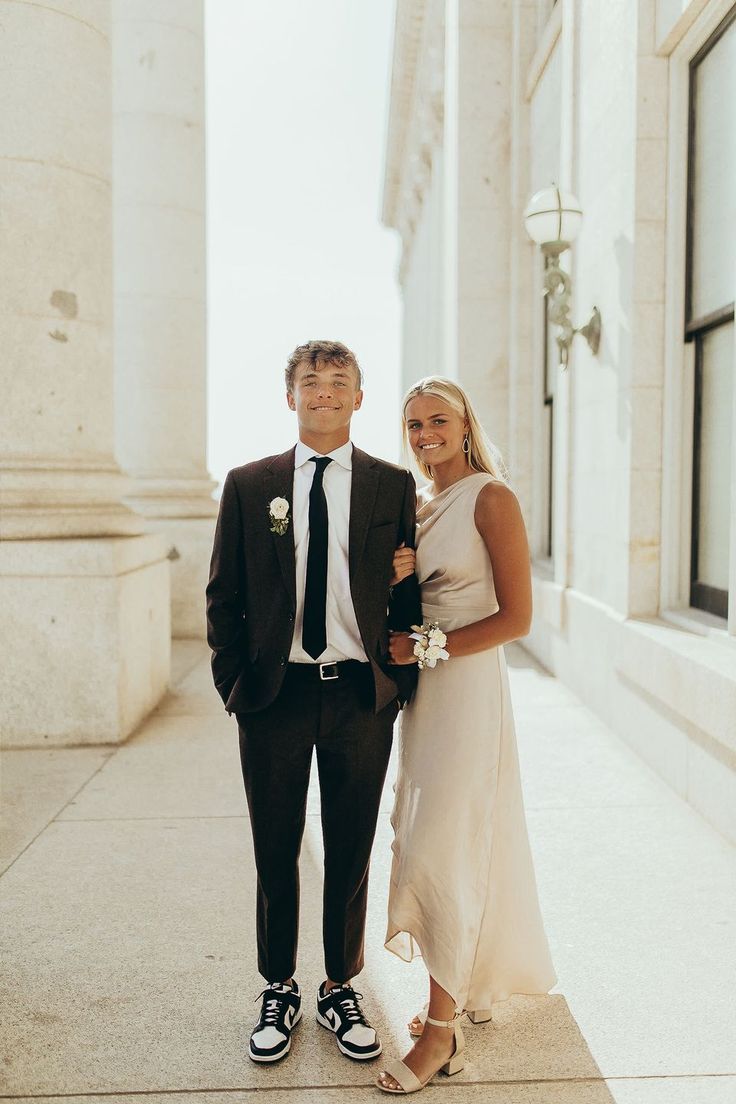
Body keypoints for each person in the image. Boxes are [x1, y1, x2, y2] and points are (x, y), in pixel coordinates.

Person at [206, 340, 421, 1066]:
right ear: (290, 395)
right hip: (275, 697)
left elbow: (410, 596)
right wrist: (237, 686)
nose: (324, 391)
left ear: (359, 399)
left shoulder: (392, 487)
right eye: (310, 381)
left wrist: (398, 685)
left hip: (361, 696)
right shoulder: (248, 484)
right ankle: (279, 986)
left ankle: (338, 986)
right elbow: (223, 594)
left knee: (353, 851)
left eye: (339, 382)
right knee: (275, 850)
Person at [376, 376, 556, 1095]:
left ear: (465, 424)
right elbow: (423, 598)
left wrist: (422, 647)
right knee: (425, 838)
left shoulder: (491, 496)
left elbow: (517, 619)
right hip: (429, 698)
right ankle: (449, 989)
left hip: (468, 689)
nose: (425, 434)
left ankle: (443, 1032)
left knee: (447, 842)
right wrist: (404, 575)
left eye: (438, 420)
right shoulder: (421, 506)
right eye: (414, 423)